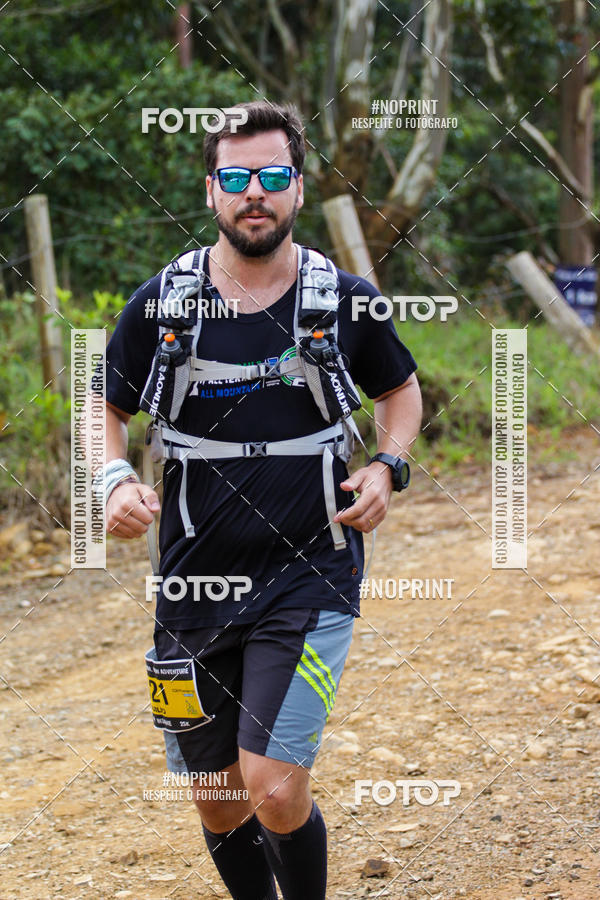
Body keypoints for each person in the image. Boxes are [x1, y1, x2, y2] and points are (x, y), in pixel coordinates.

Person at [100, 100, 422, 900]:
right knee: (216, 798)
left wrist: (388, 466)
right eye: (236, 177)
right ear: (211, 190)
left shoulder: (342, 298)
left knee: (274, 786)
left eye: (273, 176)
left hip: (311, 571)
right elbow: (103, 403)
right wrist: (111, 478)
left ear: (299, 190)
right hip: (194, 579)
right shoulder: (164, 303)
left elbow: (402, 390)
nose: (255, 193)